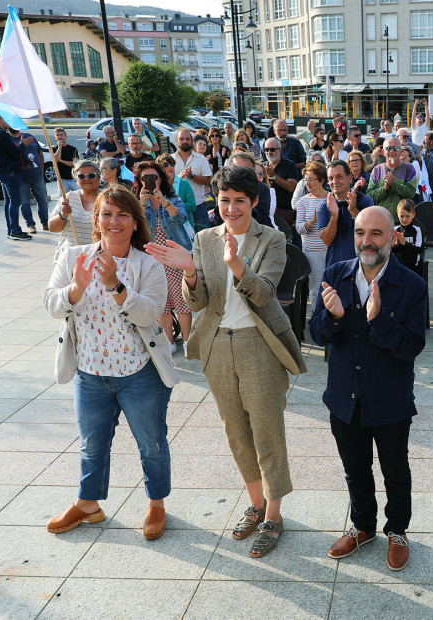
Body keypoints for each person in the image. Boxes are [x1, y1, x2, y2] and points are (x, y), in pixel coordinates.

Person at [145, 165, 306, 558]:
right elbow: (197, 303)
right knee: (235, 431)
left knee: (267, 430)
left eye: (240, 200)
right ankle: (254, 503)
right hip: (217, 345)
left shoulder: (272, 238)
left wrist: (237, 266)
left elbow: (265, 293)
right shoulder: (203, 238)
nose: (231, 208)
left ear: (253, 202)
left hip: (258, 345)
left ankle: (274, 515)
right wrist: (188, 272)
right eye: (224, 200)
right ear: (216, 202)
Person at [43, 186, 178, 540]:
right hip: (90, 372)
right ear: (96, 220)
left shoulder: (148, 264)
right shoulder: (74, 255)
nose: (113, 221)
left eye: (122, 215)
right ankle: (88, 503)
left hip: (139, 373)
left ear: (135, 222)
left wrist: (115, 285)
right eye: (107, 214)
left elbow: (151, 312)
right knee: (91, 443)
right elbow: (51, 303)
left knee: (151, 443)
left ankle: (156, 503)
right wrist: (76, 287)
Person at [310, 205, 427, 573]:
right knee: (355, 469)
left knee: (395, 471)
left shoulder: (412, 285)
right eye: (360, 233)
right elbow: (316, 334)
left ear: (392, 236)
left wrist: (378, 320)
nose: (367, 241)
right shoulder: (335, 275)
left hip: (389, 400)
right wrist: (333, 317)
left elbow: (412, 346)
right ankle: (363, 527)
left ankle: (397, 531)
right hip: (344, 397)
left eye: (376, 233)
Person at [133, 161, 193, 354]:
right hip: (152, 258)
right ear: (139, 181)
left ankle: (187, 340)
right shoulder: (138, 201)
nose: (150, 182)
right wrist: (142, 203)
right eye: (144, 178)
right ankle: (169, 342)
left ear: (160, 179)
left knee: (181, 301)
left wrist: (164, 202)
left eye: (153, 177)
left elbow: (182, 218)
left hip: (174, 255)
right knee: (161, 304)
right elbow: (135, 226)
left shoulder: (172, 198)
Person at [318, 159, 375, 267]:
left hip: (362, 267)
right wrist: (334, 217)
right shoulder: (324, 206)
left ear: (350, 178)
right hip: (335, 267)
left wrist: (354, 212)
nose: (334, 182)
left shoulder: (364, 201)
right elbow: (327, 240)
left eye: (339, 176)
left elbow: (371, 233)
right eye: (331, 178)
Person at [47, 160, 100, 261]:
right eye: (81, 176)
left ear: (99, 176)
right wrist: (62, 215)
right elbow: (53, 228)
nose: (87, 179)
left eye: (91, 175)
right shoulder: (67, 198)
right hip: (69, 258)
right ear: (76, 178)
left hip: (97, 258)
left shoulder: (107, 199)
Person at [296, 161, 330, 305]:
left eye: (311, 179)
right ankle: (317, 320)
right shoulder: (303, 201)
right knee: (316, 289)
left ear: (321, 180)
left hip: (330, 249)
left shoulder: (331, 198)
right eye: (306, 179)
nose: (307, 183)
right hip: (312, 252)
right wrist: (313, 220)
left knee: (332, 286)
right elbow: (299, 229)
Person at [172, 128, 213, 232]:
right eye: (181, 139)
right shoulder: (170, 159)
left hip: (198, 206)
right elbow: (165, 182)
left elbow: (207, 181)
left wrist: (192, 176)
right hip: (176, 207)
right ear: (176, 141)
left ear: (191, 141)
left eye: (187, 139)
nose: (185, 141)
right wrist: (179, 177)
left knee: (205, 238)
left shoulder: (201, 159)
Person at [11, 128, 49, 235]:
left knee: (43, 200)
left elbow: (40, 153)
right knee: (24, 203)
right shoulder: (8, 140)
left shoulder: (29, 135)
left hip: (37, 176)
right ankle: (30, 224)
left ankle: (45, 222)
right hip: (21, 178)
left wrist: (41, 170)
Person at [367, 137, 417, 217]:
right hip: (382, 218)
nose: (391, 151)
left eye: (395, 148)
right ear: (383, 151)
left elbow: (411, 193)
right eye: (388, 148)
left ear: (401, 151)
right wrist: (384, 189)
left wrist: (393, 184)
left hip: (403, 220)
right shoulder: (377, 170)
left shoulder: (409, 168)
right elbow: (370, 195)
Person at [262, 137, 302, 227]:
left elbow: (291, 187)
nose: (269, 152)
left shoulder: (290, 165)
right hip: (265, 211)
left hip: (283, 212)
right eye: (266, 150)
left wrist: (274, 176)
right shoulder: (262, 166)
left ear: (280, 150)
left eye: (272, 149)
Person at [392, 199, 423, 270]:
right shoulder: (395, 230)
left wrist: (404, 243)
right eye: (402, 216)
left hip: (413, 266)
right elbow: (391, 251)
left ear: (413, 215)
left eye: (407, 216)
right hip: (398, 266)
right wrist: (396, 245)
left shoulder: (417, 229)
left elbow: (419, 250)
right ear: (397, 214)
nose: (404, 219)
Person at [53, 127, 80, 191]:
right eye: (58, 135)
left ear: (65, 136)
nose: (60, 137)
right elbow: (55, 161)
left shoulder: (73, 149)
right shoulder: (54, 149)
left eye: (61, 135)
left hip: (73, 178)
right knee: (63, 199)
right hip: (62, 179)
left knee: (78, 196)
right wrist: (59, 148)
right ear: (55, 137)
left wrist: (61, 160)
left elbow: (75, 164)